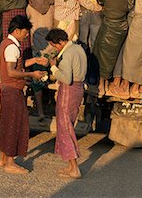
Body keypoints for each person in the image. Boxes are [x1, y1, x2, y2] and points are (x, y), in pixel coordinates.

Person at [0, 15, 47, 174]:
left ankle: (4, 158)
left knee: (6, 124)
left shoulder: (7, 43)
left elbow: (17, 64)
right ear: (17, 30)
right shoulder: (12, 47)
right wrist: (32, 75)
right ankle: (11, 163)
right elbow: (12, 71)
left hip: (7, 89)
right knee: (14, 125)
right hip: (12, 91)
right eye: (26, 32)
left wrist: (34, 61)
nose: (27, 35)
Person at [46, 28, 87, 179]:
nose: (55, 48)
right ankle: (71, 166)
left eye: (54, 45)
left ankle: (74, 168)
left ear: (61, 42)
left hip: (69, 91)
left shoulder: (68, 53)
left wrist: (53, 67)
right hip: (79, 89)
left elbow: (66, 79)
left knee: (65, 127)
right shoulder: (78, 48)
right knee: (68, 125)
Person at [92, 0, 133, 97]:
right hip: (122, 25)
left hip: (111, 25)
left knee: (103, 56)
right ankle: (104, 83)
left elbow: (100, 0)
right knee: (107, 54)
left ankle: (101, 85)